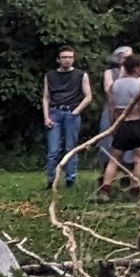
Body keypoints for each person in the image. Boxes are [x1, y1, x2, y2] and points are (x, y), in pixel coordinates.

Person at [100, 43, 140, 199]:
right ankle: (135, 189)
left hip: (122, 125)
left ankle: (105, 189)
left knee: (114, 159)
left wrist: (113, 125)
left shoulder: (115, 85)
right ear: (136, 69)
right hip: (137, 125)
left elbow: (112, 107)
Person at [42, 45, 92, 189]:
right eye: (64, 57)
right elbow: (46, 97)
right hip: (54, 113)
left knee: (71, 148)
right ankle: (51, 179)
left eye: (70, 57)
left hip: (72, 112)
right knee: (53, 150)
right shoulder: (50, 75)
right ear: (58, 59)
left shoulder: (81, 75)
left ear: (74, 59)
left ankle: (70, 179)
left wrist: (76, 111)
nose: (67, 60)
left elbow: (88, 96)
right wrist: (46, 117)